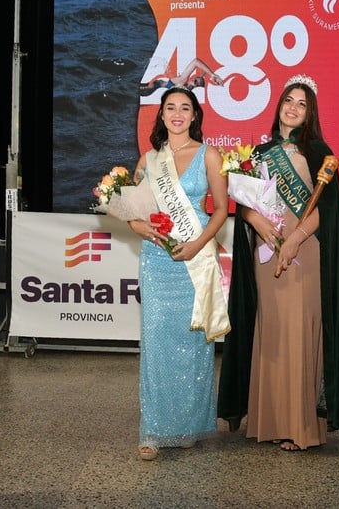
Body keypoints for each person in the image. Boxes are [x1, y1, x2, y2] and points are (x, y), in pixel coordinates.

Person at [217, 74, 339, 451]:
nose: (293, 108)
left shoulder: (319, 151)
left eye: (302, 104)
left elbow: (327, 210)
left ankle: (301, 428)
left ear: (310, 113)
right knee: (271, 333)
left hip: (305, 252)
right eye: (289, 100)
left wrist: (294, 242)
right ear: (279, 105)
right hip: (266, 252)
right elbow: (244, 205)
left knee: (301, 334)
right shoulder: (259, 153)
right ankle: (269, 421)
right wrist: (260, 224)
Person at [127, 85, 231, 461]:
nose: (177, 114)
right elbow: (132, 214)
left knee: (193, 343)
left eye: (185, 108)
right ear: (162, 115)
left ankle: (187, 425)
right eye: (170, 107)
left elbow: (220, 209)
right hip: (157, 258)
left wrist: (200, 243)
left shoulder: (210, 155)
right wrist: (143, 229)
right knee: (156, 341)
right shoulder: (147, 160)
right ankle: (152, 430)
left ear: (194, 116)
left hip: (197, 255)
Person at [139, 58, 224, 96]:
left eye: (195, 80)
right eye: (196, 77)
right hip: (150, 91)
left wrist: (212, 74)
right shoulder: (183, 90)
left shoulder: (182, 81)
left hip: (147, 89)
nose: (193, 78)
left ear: (195, 84)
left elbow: (195, 62)